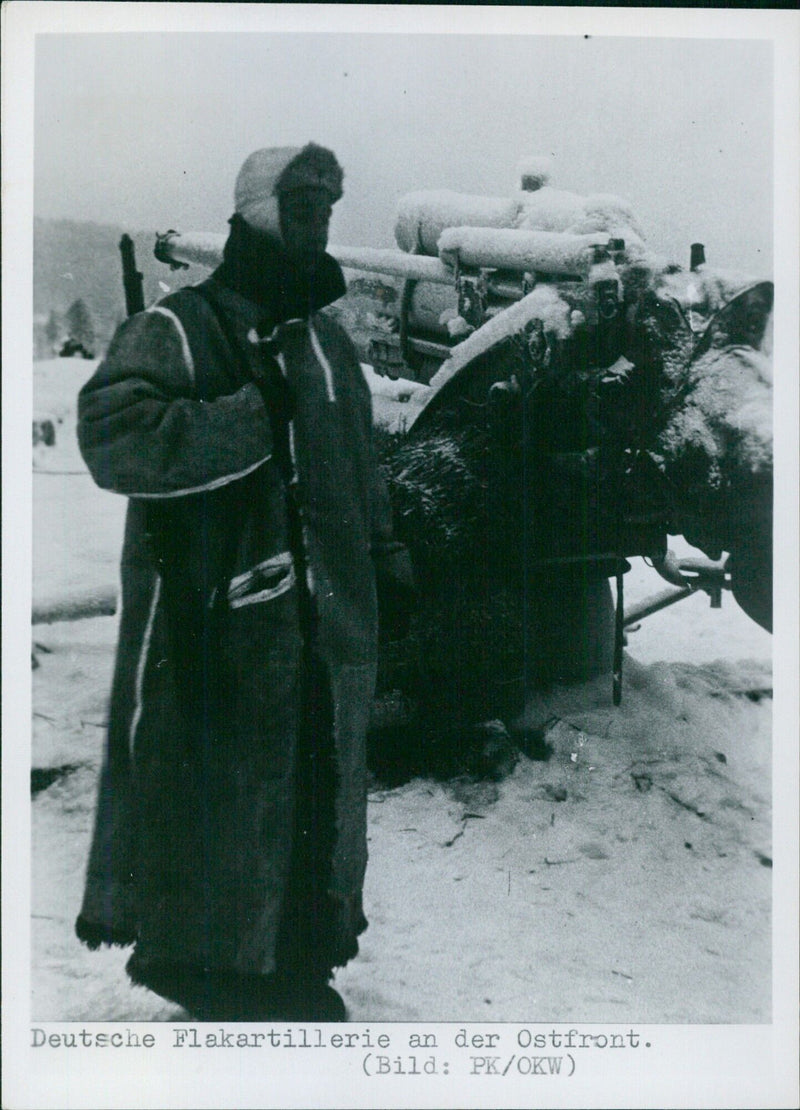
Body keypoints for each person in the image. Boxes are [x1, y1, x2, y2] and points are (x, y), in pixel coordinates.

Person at [74, 143, 415, 1021]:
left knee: (311, 784)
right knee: (215, 782)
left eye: (327, 207)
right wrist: (250, 415)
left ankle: (296, 953)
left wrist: (385, 557)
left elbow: (360, 463)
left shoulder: (327, 343)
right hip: (209, 618)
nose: (319, 221)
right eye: (300, 205)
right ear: (256, 212)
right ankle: (207, 967)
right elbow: (113, 431)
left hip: (321, 620)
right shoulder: (182, 326)